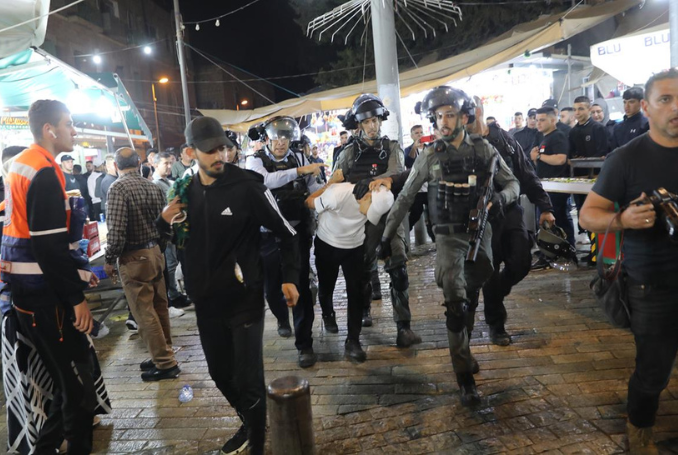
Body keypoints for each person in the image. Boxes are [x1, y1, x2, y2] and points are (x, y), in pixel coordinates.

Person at [158, 116, 300, 455]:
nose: (220, 155)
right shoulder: (183, 192)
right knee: (220, 373)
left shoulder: (248, 186)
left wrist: (290, 278)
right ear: (190, 153)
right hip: (206, 302)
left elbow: (287, 233)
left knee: (249, 380)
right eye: (211, 151)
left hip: (244, 299)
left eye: (223, 148)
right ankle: (252, 423)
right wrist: (162, 222)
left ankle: (257, 444)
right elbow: (169, 240)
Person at [379, 86, 519, 405]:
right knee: (455, 303)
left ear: (463, 117)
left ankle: (463, 350)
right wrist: (386, 236)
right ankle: (464, 377)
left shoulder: (484, 150)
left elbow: (512, 182)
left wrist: (501, 198)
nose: (443, 121)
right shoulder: (429, 155)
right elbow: (405, 197)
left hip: (479, 234)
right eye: (438, 116)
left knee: (471, 295)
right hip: (447, 236)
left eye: (450, 115)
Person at [579, 69, 678, 454]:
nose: (676, 107)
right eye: (666, 100)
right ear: (646, 109)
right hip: (652, 285)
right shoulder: (625, 158)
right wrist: (623, 219)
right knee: (653, 372)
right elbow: (588, 216)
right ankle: (640, 432)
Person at [1, 100, 99, 453]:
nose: (74, 130)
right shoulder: (42, 170)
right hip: (46, 296)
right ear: (49, 130)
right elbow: (48, 248)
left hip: (28, 292)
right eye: (68, 124)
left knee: (69, 386)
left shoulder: (22, 164)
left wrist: (76, 274)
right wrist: (76, 299)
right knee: (78, 389)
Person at [333, 94, 421, 347]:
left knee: (399, 270)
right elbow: (336, 181)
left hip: (389, 218)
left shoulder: (391, 147)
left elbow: (397, 172)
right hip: (360, 219)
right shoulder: (349, 152)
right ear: (359, 124)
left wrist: (371, 181)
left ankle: (404, 327)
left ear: (380, 120)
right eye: (366, 122)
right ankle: (364, 311)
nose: (371, 126)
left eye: (374, 120)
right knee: (362, 272)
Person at [466, 98, 555, 346]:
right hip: (482, 217)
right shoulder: (461, 144)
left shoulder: (503, 138)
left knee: (522, 261)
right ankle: (496, 325)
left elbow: (525, 173)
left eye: (470, 113)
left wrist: (545, 207)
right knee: (490, 270)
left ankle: (496, 294)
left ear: (479, 111)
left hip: (510, 209)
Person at [246, 116, 322, 367]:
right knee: (272, 286)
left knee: (301, 285)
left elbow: (313, 186)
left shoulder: (300, 157)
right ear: (267, 139)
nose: (281, 142)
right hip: (267, 234)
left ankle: (305, 344)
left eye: (286, 137)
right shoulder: (255, 160)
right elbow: (265, 181)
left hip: (297, 232)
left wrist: (330, 193)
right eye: (276, 137)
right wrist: (299, 171)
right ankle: (281, 318)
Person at [105, 147, 180, 382]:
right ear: (139, 164)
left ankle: (165, 363)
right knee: (160, 307)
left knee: (144, 312)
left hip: (134, 257)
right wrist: (159, 247)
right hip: (155, 252)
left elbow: (116, 232)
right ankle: (164, 353)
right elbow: (165, 223)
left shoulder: (117, 188)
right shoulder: (152, 186)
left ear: (116, 166)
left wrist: (109, 259)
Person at [306, 173, 395, 362]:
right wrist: (329, 184)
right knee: (326, 286)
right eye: (370, 209)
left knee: (356, 292)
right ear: (366, 197)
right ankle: (328, 314)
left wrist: (387, 180)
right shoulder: (337, 194)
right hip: (327, 244)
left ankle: (353, 340)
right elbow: (309, 202)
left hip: (354, 246)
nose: (368, 215)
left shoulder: (378, 197)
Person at [530, 107, 576, 257]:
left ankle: (566, 252)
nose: (538, 123)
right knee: (546, 221)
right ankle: (550, 252)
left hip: (557, 187)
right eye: (537, 120)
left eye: (542, 120)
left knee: (559, 219)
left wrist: (538, 157)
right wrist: (536, 159)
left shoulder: (558, 136)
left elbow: (560, 159)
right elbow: (542, 163)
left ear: (553, 120)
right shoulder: (544, 138)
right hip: (545, 186)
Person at [569, 96, 610, 250]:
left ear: (589, 109)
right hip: (578, 177)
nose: (577, 112)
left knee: (596, 211)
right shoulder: (573, 132)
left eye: (581, 109)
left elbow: (603, 152)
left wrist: (587, 159)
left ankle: (599, 249)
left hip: (596, 179)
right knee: (582, 210)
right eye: (575, 109)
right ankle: (592, 248)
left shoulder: (598, 129)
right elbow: (572, 154)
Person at [153, 152, 189, 314]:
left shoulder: (170, 182)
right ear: (155, 165)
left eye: (170, 163)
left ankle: (176, 293)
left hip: (175, 229)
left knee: (174, 262)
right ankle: (172, 296)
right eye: (165, 163)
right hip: (164, 230)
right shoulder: (155, 184)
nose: (169, 166)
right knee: (169, 264)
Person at [404, 124, 435, 242]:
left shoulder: (430, 147)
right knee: (416, 213)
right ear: (412, 136)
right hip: (417, 189)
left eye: (421, 132)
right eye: (416, 133)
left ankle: (434, 239)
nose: (419, 135)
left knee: (433, 214)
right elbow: (408, 162)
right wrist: (414, 148)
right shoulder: (409, 149)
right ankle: (405, 236)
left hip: (430, 187)